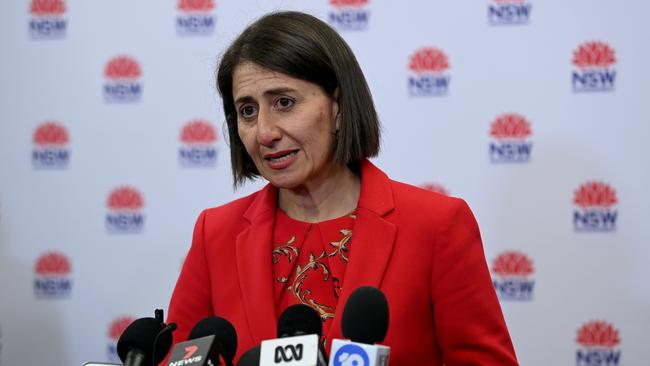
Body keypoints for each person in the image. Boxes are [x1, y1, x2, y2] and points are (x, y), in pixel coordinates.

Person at [167, 11, 518, 365]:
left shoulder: (436, 225)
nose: (264, 132)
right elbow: (178, 357)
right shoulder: (216, 234)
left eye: (284, 103)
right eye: (247, 110)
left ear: (337, 106)